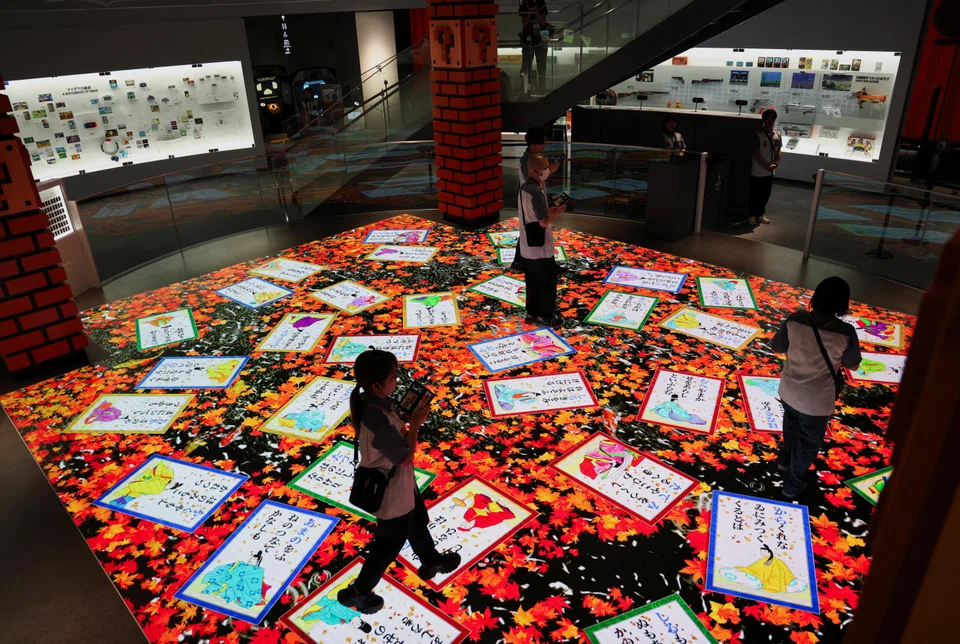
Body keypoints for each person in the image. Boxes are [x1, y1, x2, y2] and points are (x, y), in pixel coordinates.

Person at [337, 350, 460, 614]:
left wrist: (405, 419)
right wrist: (414, 424)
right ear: (377, 385)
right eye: (393, 376)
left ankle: (431, 560)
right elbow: (404, 456)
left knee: (416, 522)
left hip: (402, 486)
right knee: (388, 545)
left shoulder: (373, 401)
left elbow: (392, 434)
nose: (397, 381)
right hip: (391, 492)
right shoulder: (376, 416)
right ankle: (358, 593)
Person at [771, 277, 861, 501]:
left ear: (816, 296)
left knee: (791, 425)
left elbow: (777, 346)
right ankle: (792, 483)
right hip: (816, 400)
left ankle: (784, 462)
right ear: (842, 303)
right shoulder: (846, 332)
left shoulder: (796, 319)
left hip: (789, 390)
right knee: (808, 441)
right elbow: (853, 364)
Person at [518, 153, 566, 327]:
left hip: (526, 246)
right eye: (545, 168)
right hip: (540, 247)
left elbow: (533, 213)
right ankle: (545, 317)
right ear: (535, 170)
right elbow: (543, 221)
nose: (548, 170)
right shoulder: (536, 192)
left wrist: (549, 209)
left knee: (532, 281)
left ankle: (531, 313)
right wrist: (557, 213)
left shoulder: (524, 188)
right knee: (547, 281)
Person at [513, 126, 559, 273]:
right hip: (531, 200)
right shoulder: (527, 162)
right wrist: (549, 170)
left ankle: (520, 261)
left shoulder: (531, 160)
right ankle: (524, 262)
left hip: (532, 199)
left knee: (530, 230)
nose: (544, 146)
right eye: (542, 143)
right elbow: (533, 177)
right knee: (534, 229)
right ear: (534, 143)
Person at [748, 109, 782, 225]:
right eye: (769, 119)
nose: (771, 121)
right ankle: (751, 215)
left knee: (766, 194)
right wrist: (766, 165)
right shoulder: (758, 135)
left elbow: (779, 150)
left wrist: (776, 163)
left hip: (770, 171)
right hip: (758, 170)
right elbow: (756, 153)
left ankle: (760, 214)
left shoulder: (777, 133)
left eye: (773, 119)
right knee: (755, 194)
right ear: (764, 120)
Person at [519, 0, 549, 95]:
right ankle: (525, 91)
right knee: (526, 65)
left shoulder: (541, 3)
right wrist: (529, 12)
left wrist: (536, 11)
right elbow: (524, 24)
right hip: (528, 36)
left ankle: (542, 90)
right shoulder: (524, 4)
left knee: (542, 66)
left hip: (542, 35)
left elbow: (543, 22)